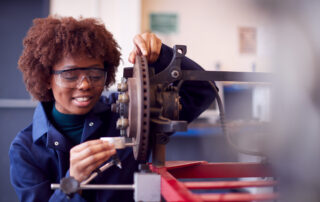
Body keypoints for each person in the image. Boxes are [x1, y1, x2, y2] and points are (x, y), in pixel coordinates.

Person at [9, 16, 215, 202]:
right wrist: (72, 182)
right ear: (46, 78)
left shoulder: (130, 111)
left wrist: (162, 56)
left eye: (95, 74)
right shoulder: (25, 149)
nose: (85, 85)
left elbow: (203, 91)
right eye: (70, 75)